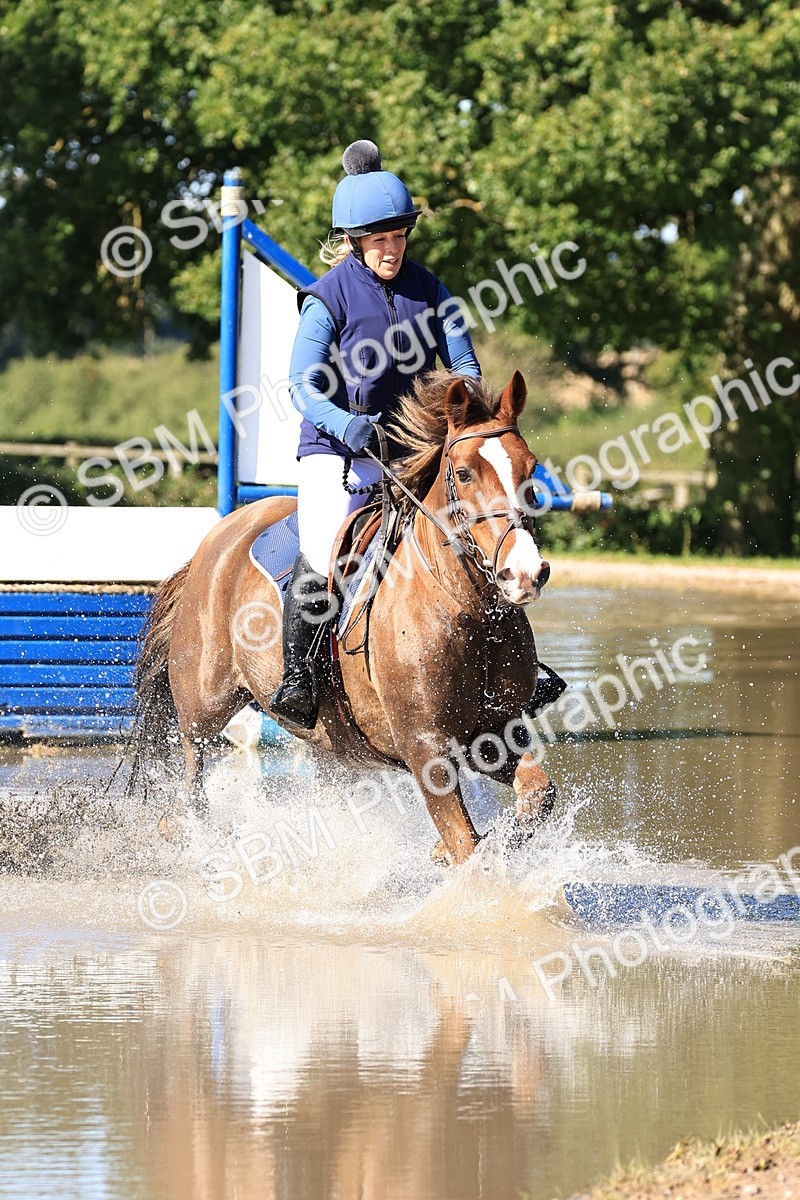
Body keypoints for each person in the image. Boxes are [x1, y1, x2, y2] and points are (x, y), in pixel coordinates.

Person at [269, 139, 481, 730]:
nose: (391, 249)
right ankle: (298, 678)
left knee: (473, 530)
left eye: (399, 236)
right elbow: (301, 384)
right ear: (354, 241)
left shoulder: (432, 291)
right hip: (339, 453)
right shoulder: (327, 298)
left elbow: (466, 369)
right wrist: (345, 423)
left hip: (411, 451)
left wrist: (469, 417)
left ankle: (509, 667)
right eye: (379, 239)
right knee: (323, 553)